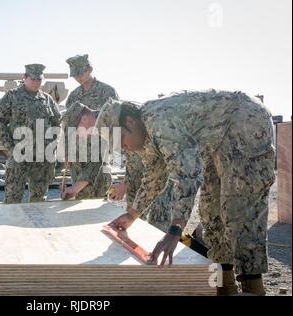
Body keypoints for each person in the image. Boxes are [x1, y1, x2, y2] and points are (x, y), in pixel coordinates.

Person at [94, 90, 275, 296]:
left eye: (121, 140)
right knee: (211, 212)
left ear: (130, 121)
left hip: (244, 122)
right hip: (216, 142)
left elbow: (187, 174)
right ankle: (226, 289)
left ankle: (253, 288)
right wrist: (132, 215)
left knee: (239, 208)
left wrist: (174, 231)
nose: (123, 148)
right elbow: (154, 174)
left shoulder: (159, 120)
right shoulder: (148, 135)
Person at [0, 64, 61, 203]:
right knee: (13, 198)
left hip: (42, 158)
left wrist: (53, 145)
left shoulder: (47, 100)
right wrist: (11, 147)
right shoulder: (12, 97)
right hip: (20, 157)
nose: (37, 83)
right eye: (33, 79)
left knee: (39, 199)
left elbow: (57, 124)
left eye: (39, 80)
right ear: (25, 78)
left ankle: (35, 225)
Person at [60, 102, 111, 200]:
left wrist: (75, 188)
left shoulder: (106, 122)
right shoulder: (83, 124)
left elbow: (96, 162)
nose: (77, 135)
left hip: (97, 185)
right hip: (79, 181)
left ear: (84, 119)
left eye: (77, 130)